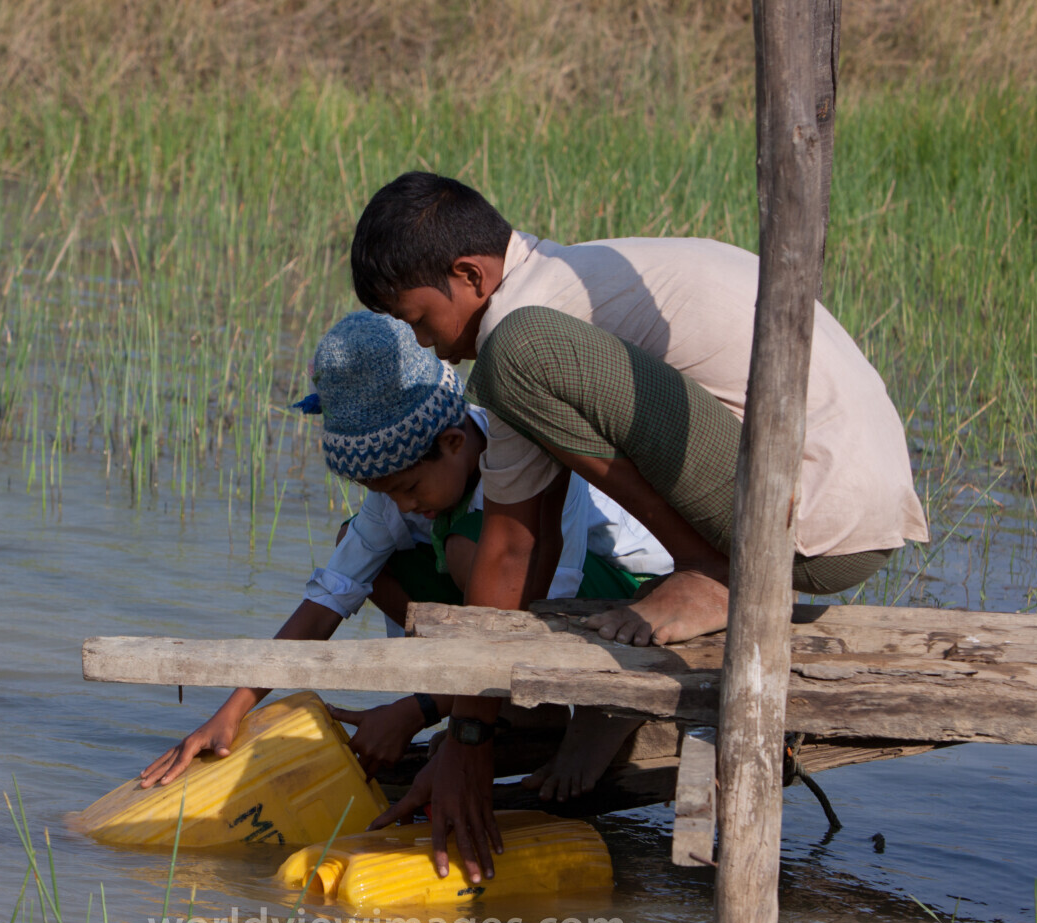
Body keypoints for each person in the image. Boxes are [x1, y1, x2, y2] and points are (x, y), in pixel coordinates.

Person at [351, 171, 930, 881]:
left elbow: (509, 550)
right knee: (522, 357)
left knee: (521, 350)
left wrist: (467, 741)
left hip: (806, 512)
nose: (430, 347)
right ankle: (710, 568)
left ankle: (712, 572)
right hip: (816, 514)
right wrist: (465, 733)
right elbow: (522, 549)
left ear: (470, 274)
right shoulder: (553, 307)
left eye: (417, 320)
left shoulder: (526, 334)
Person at [137, 310, 672, 801]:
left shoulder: (528, 452)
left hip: (619, 601)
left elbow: (540, 613)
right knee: (371, 551)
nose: (403, 504)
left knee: (470, 550)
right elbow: (330, 596)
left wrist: (416, 710)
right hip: (526, 618)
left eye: (408, 488)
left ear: (454, 444)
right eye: (387, 492)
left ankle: (608, 707)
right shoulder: (406, 488)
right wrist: (231, 712)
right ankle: (528, 717)